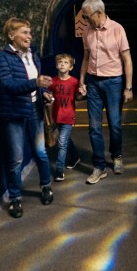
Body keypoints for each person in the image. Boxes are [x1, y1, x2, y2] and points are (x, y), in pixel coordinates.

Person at [0, 17, 54, 218]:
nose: (30, 36)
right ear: (12, 35)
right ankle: (16, 198)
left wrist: (43, 92)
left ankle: (46, 186)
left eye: (30, 32)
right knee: (16, 160)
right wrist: (34, 83)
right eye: (24, 32)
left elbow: (34, 84)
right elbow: (7, 84)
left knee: (41, 152)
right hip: (14, 114)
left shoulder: (33, 56)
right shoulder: (3, 58)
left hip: (35, 110)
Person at [77, 0, 133, 184]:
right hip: (93, 82)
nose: (84, 20)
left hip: (113, 83)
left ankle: (116, 156)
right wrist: (82, 81)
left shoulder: (118, 29)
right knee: (94, 127)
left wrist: (128, 87)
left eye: (86, 16)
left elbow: (127, 60)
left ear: (98, 13)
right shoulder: (87, 32)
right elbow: (85, 57)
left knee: (115, 124)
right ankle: (99, 165)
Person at [49, 53, 81, 181]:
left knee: (62, 143)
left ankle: (59, 170)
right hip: (56, 116)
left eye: (66, 62)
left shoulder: (74, 82)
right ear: (56, 65)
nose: (62, 64)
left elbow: (78, 97)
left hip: (68, 116)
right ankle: (75, 157)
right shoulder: (53, 81)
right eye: (60, 62)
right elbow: (49, 95)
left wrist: (82, 92)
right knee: (65, 140)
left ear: (71, 67)